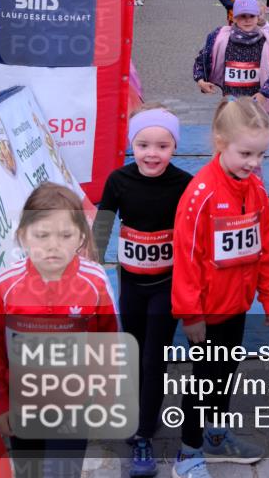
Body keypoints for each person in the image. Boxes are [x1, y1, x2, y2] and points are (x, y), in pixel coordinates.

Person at [171, 99, 269, 477]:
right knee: (203, 381)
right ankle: (188, 453)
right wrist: (191, 315)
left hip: (237, 304)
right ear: (220, 142)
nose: (254, 163)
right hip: (206, 312)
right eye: (246, 153)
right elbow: (185, 260)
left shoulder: (256, 189)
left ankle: (215, 438)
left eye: (261, 154)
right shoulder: (199, 194)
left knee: (226, 372)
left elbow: (264, 243)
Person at [0, 183, 119, 478]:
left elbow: (109, 338)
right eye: (42, 235)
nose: (52, 245)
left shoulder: (94, 283)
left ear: (80, 237)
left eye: (65, 235)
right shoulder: (7, 285)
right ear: (23, 236)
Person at [94, 106, 191, 478]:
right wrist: (90, 266)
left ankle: (143, 434)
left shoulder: (184, 184)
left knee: (154, 358)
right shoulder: (119, 180)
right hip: (131, 283)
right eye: (143, 144)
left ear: (174, 147)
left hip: (167, 286)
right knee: (132, 353)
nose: (152, 153)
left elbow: (196, 233)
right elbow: (102, 227)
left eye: (162, 145)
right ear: (131, 145)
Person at [193, 0, 269, 116]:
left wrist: (264, 94)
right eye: (242, 16)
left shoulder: (268, 44)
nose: (247, 20)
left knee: (253, 133)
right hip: (230, 102)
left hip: (256, 102)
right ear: (234, 18)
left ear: (258, 18)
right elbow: (201, 60)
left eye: (251, 16)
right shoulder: (220, 40)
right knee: (232, 133)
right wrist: (201, 80)